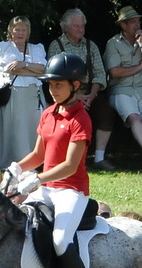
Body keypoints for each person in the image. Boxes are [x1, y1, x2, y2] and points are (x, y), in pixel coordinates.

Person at [11, 53, 96, 268]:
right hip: (46, 188)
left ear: (74, 85)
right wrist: (15, 169)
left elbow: (71, 166)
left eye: (58, 85)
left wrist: (37, 180)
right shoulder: (48, 113)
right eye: (50, 85)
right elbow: (38, 154)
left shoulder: (81, 118)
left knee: (60, 240)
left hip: (71, 190)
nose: (52, 89)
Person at [47, 9, 115, 168]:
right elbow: (54, 76)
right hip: (66, 93)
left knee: (107, 113)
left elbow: (100, 73)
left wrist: (91, 95)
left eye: (82, 26)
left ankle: (99, 158)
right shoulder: (56, 46)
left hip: (91, 91)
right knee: (67, 118)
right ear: (66, 27)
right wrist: (75, 96)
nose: (81, 29)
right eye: (76, 26)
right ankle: (66, 158)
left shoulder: (91, 46)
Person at [104, 6, 142, 168]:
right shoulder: (113, 43)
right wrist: (140, 66)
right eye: (133, 22)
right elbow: (115, 72)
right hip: (122, 90)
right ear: (123, 25)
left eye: (138, 21)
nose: (137, 25)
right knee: (134, 117)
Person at [0, 16, 46, 168]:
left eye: (24, 30)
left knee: (35, 126)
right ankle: (19, 163)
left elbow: (44, 70)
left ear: (28, 32)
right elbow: (9, 69)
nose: (20, 33)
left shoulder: (36, 48)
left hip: (34, 94)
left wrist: (24, 64)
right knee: (18, 128)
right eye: (17, 29)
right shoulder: (4, 47)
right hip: (14, 94)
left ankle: (37, 161)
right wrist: (33, 70)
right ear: (11, 30)